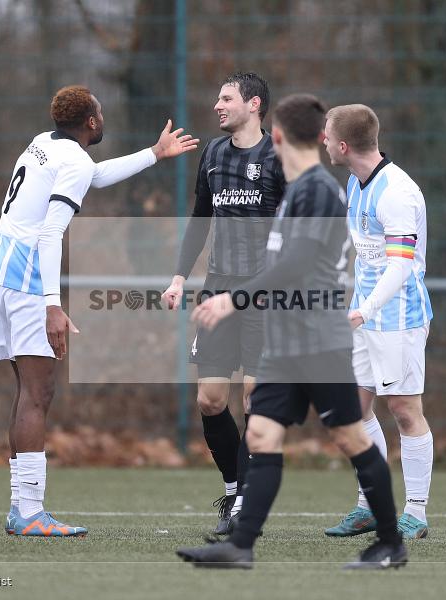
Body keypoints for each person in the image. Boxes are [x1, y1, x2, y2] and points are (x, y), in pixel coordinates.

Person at [176, 94, 407, 570]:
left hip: (318, 343)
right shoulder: (300, 186)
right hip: (285, 344)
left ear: (277, 136)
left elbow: (299, 262)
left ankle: (390, 543)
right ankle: (241, 546)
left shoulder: (317, 190)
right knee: (260, 435)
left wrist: (233, 298)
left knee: (351, 439)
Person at [0, 85, 198, 536]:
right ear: (93, 122)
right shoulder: (74, 160)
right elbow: (50, 233)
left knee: (27, 392)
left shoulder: (45, 143)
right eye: (100, 111)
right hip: (26, 277)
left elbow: (94, 176)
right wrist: (52, 306)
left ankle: (21, 508)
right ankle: (28, 512)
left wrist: (154, 154)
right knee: (38, 394)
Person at [161, 72, 286, 535]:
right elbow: (199, 219)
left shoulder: (277, 155)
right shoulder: (212, 154)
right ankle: (235, 489)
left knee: (255, 395)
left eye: (226, 98)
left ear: (253, 104)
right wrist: (178, 278)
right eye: (216, 97)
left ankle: (246, 503)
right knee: (211, 400)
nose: (217, 105)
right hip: (217, 291)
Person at [322, 104, 434, 540]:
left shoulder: (398, 193)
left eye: (328, 137)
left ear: (344, 145)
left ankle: (417, 513)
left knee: (405, 411)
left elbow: (400, 266)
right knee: (356, 408)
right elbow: (361, 254)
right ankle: (370, 504)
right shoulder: (355, 181)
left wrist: (364, 310)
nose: (324, 142)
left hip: (399, 318)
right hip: (362, 316)